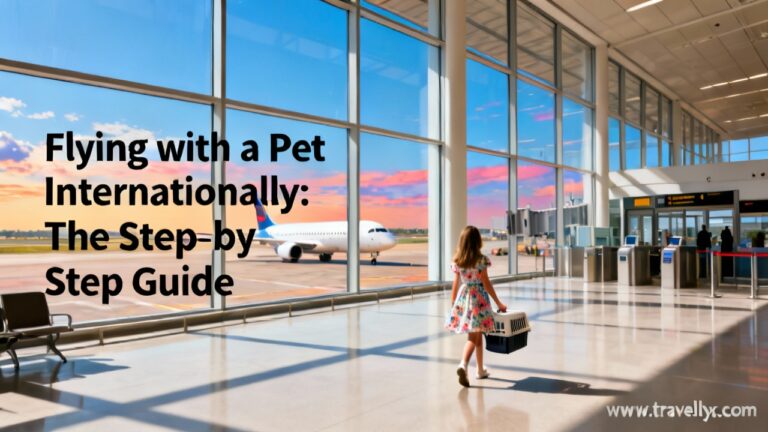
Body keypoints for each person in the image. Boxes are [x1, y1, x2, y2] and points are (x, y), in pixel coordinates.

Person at [445, 226, 507, 388]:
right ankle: (463, 365)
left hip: (464, 297)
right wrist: (498, 303)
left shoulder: (458, 261)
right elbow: (486, 283)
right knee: (474, 337)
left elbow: (455, 284)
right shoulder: (481, 260)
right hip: (478, 299)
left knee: (477, 335)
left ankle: (480, 370)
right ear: (478, 241)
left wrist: (453, 304)